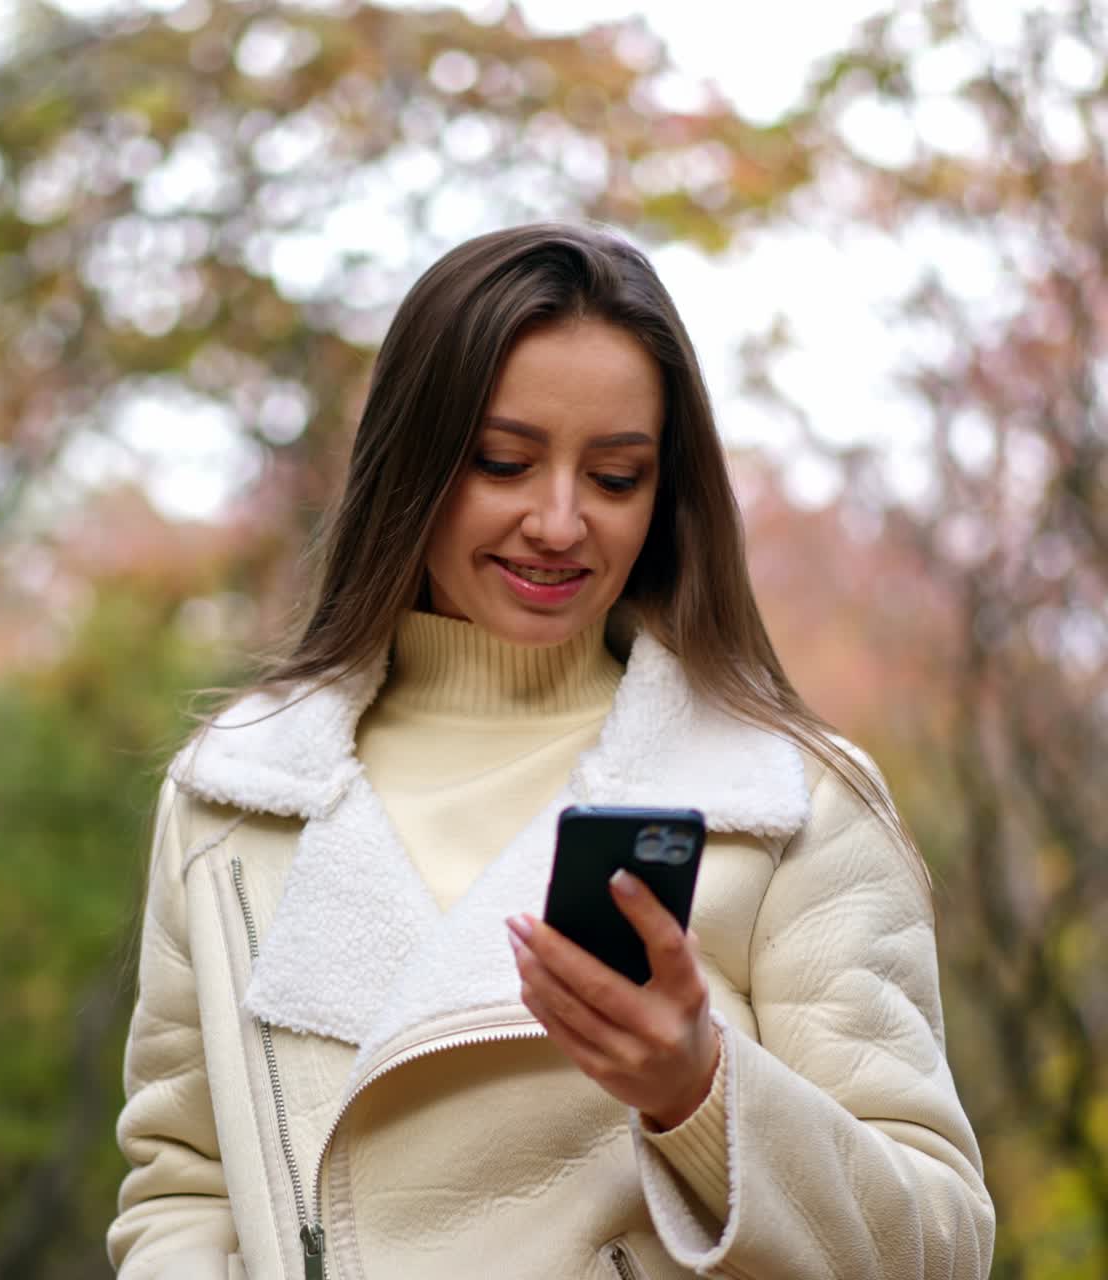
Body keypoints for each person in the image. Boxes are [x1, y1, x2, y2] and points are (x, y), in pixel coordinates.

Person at [108, 222, 995, 1279]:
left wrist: (697, 1091)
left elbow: (935, 1246)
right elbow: (182, 1183)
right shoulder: (236, 793)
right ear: (413, 462)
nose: (560, 521)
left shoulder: (785, 801)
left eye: (615, 477)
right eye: (502, 462)